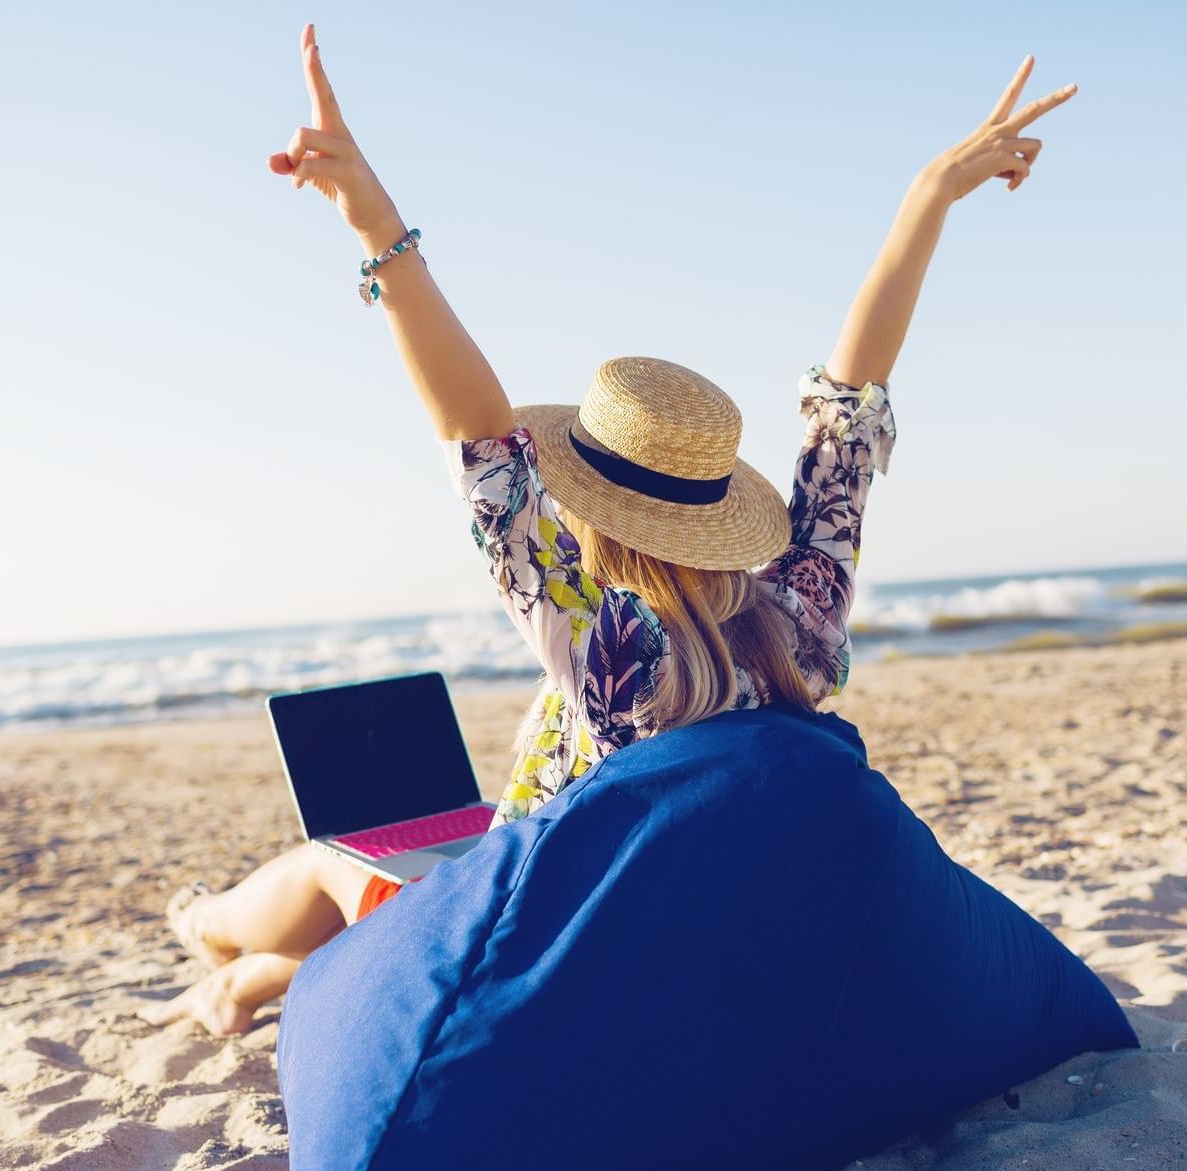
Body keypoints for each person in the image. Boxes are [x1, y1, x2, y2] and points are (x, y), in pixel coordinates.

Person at [141, 24, 1075, 1036]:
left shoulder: (598, 643)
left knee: (333, 861)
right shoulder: (801, 620)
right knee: (402, 866)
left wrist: (375, 223)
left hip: (547, 944)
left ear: (582, 501)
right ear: (720, 506)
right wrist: (926, 200)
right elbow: (843, 414)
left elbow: (475, 435)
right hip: (708, 932)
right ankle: (245, 968)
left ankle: (215, 941)